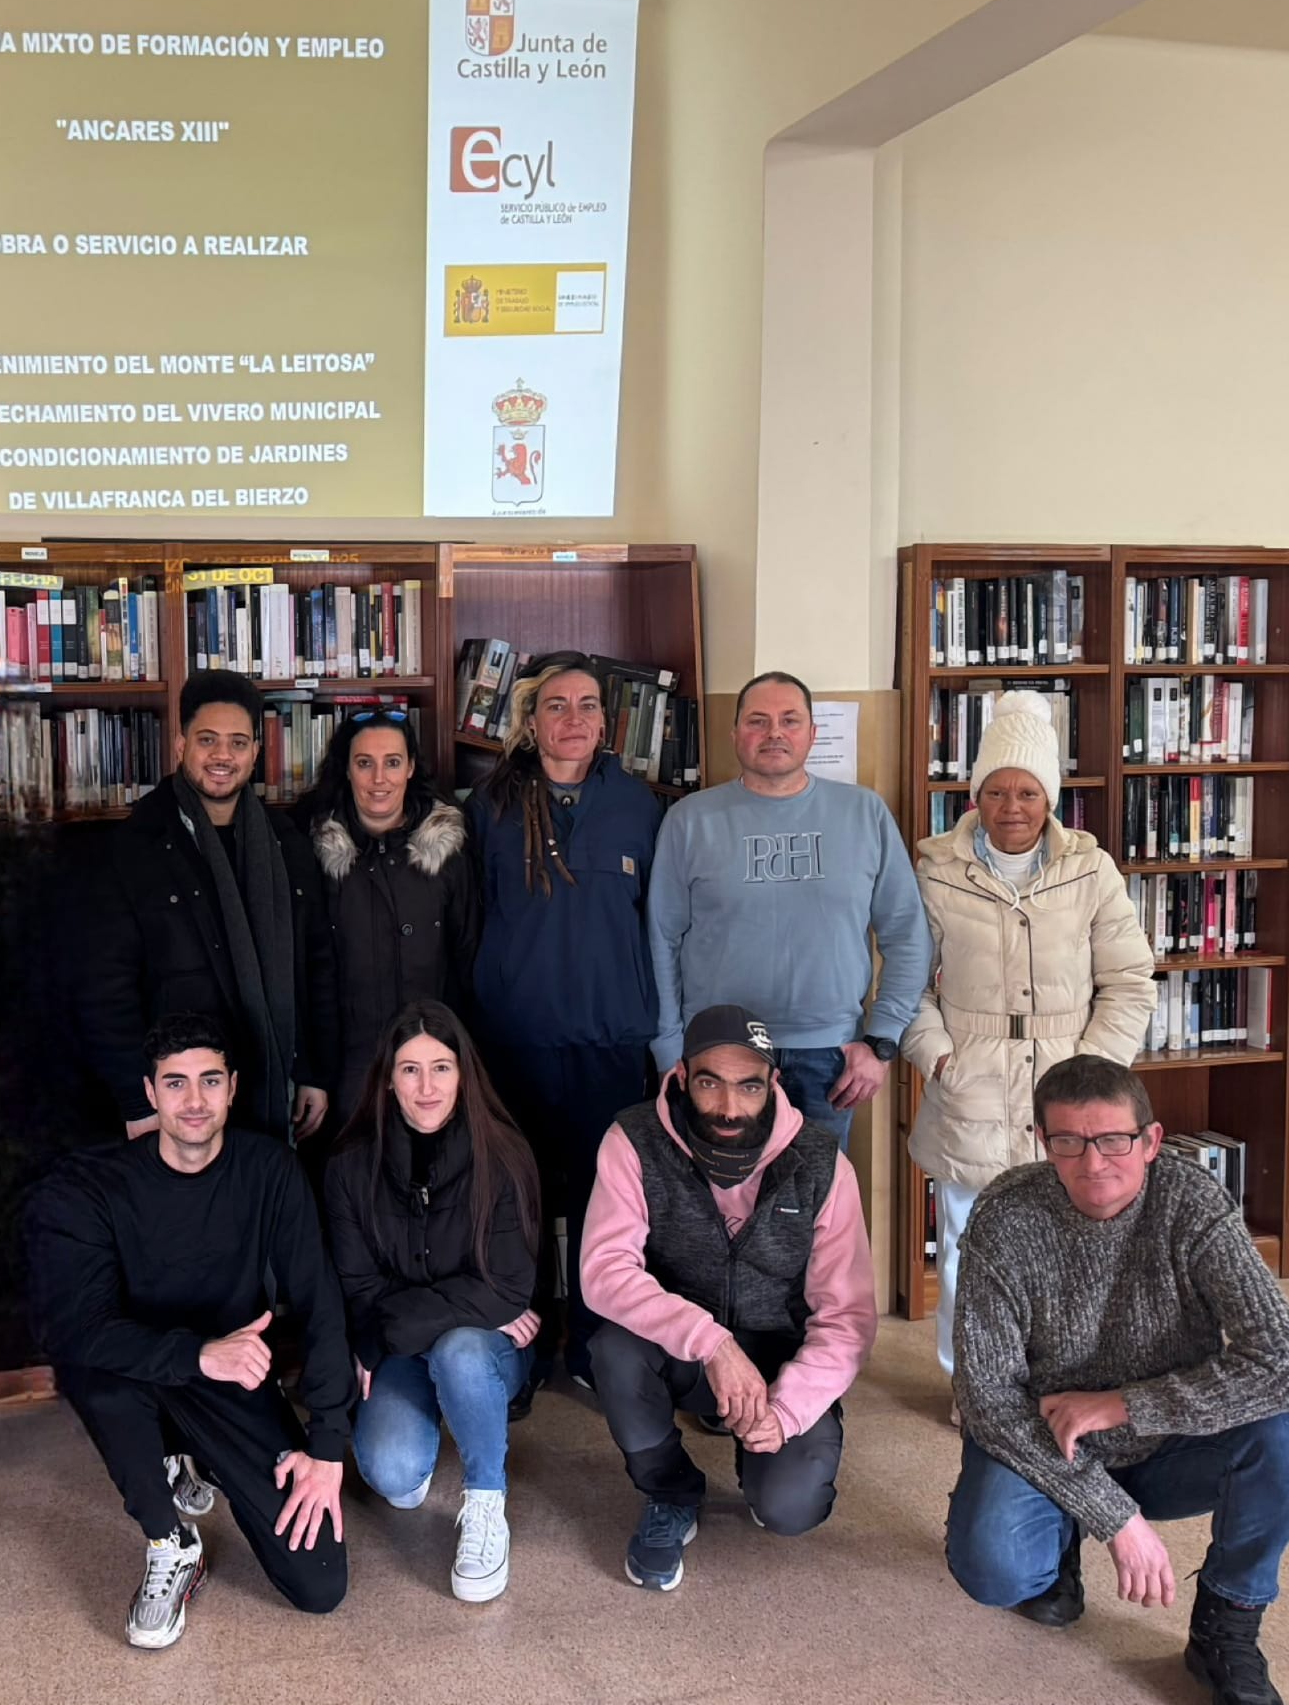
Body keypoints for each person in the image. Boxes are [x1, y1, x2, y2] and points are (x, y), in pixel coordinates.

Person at [948, 1056, 1289, 1705]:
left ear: (1150, 1141)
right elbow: (986, 1401)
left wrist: (1125, 1405)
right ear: (1043, 1142)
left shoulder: (1192, 1200)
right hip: (1045, 1441)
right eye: (1068, 1141)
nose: (1093, 1163)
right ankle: (1061, 1535)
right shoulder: (1005, 1216)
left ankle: (1227, 1622)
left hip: (1166, 1439)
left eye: (1114, 1140)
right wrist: (1115, 1519)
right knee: (994, 1572)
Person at [25, 1013, 350, 1649]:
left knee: (319, 1586)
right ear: (149, 1093)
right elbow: (77, 1331)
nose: (194, 1101)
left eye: (208, 1081)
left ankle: (201, 1458)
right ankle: (169, 1539)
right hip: (145, 1369)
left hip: (230, 1382)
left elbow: (321, 1302)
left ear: (232, 1087)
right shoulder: (98, 1185)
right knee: (102, 1382)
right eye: (175, 1084)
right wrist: (201, 1353)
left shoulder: (270, 1170)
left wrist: (328, 1447)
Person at [901, 689, 1156, 1386]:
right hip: (972, 1083)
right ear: (976, 794)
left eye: (1029, 792)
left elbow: (1131, 981)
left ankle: (1059, 1377)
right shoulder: (935, 871)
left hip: (1069, 1084)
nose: (1012, 806)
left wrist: (1093, 1074)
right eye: (997, 791)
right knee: (966, 1246)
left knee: (1072, 1244)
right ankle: (971, 1384)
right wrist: (939, 1057)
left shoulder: (1090, 870)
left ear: (1051, 800)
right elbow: (901, 984)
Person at [582, 1004, 876, 1592]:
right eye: (710, 1082)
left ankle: (761, 1452)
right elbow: (604, 1270)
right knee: (613, 1349)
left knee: (790, 1512)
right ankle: (669, 1490)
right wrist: (711, 1343)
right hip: (681, 1350)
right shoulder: (632, 1140)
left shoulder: (822, 1165)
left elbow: (846, 1319)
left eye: (748, 1086)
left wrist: (789, 1408)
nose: (728, 1107)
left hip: (778, 1362)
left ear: (774, 1084)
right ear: (684, 1076)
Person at [466, 651, 662, 1389]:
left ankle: (587, 1353)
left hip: (610, 1042)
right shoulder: (489, 806)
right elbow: (470, 921)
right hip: (512, 1041)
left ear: (606, 723)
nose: (572, 719)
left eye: (586, 706)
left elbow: (658, 926)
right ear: (531, 720)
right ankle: (512, 1357)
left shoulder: (639, 806)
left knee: (600, 1210)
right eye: (556, 705)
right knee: (510, 1204)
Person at [648, 670, 932, 1147]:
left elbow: (907, 933)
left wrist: (881, 1043)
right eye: (757, 721)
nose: (774, 732)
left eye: (790, 720)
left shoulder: (864, 813)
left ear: (813, 735)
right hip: (718, 1054)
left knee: (815, 1210)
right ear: (734, 733)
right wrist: (669, 1047)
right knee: (718, 1209)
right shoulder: (689, 821)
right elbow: (661, 938)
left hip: (829, 1057)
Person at [323, 1001, 541, 1602]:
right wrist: (474, 1302)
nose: (426, 1087)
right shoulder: (349, 1169)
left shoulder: (504, 1155)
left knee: (462, 1352)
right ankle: (438, 1414)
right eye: (410, 1069)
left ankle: (486, 1501)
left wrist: (388, 1330)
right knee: (392, 1472)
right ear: (387, 1080)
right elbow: (359, 1288)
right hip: (401, 1345)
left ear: (463, 1074)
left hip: (478, 1346)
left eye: (441, 1068)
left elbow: (507, 1287)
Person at [74, 669, 339, 1143]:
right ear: (181, 746)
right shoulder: (134, 848)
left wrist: (314, 1071)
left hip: (270, 1086)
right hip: (177, 1102)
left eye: (238, 742)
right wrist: (138, 1101)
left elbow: (316, 965)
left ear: (256, 753)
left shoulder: (286, 844)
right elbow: (104, 990)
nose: (223, 755)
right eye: (208, 739)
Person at [299, 709, 480, 1125]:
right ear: (347, 769)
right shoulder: (311, 853)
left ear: (411, 767)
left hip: (434, 1062)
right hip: (349, 1064)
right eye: (365, 763)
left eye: (393, 762)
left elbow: (469, 959)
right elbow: (304, 973)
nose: (379, 778)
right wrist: (314, 1073)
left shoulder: (448, 852)